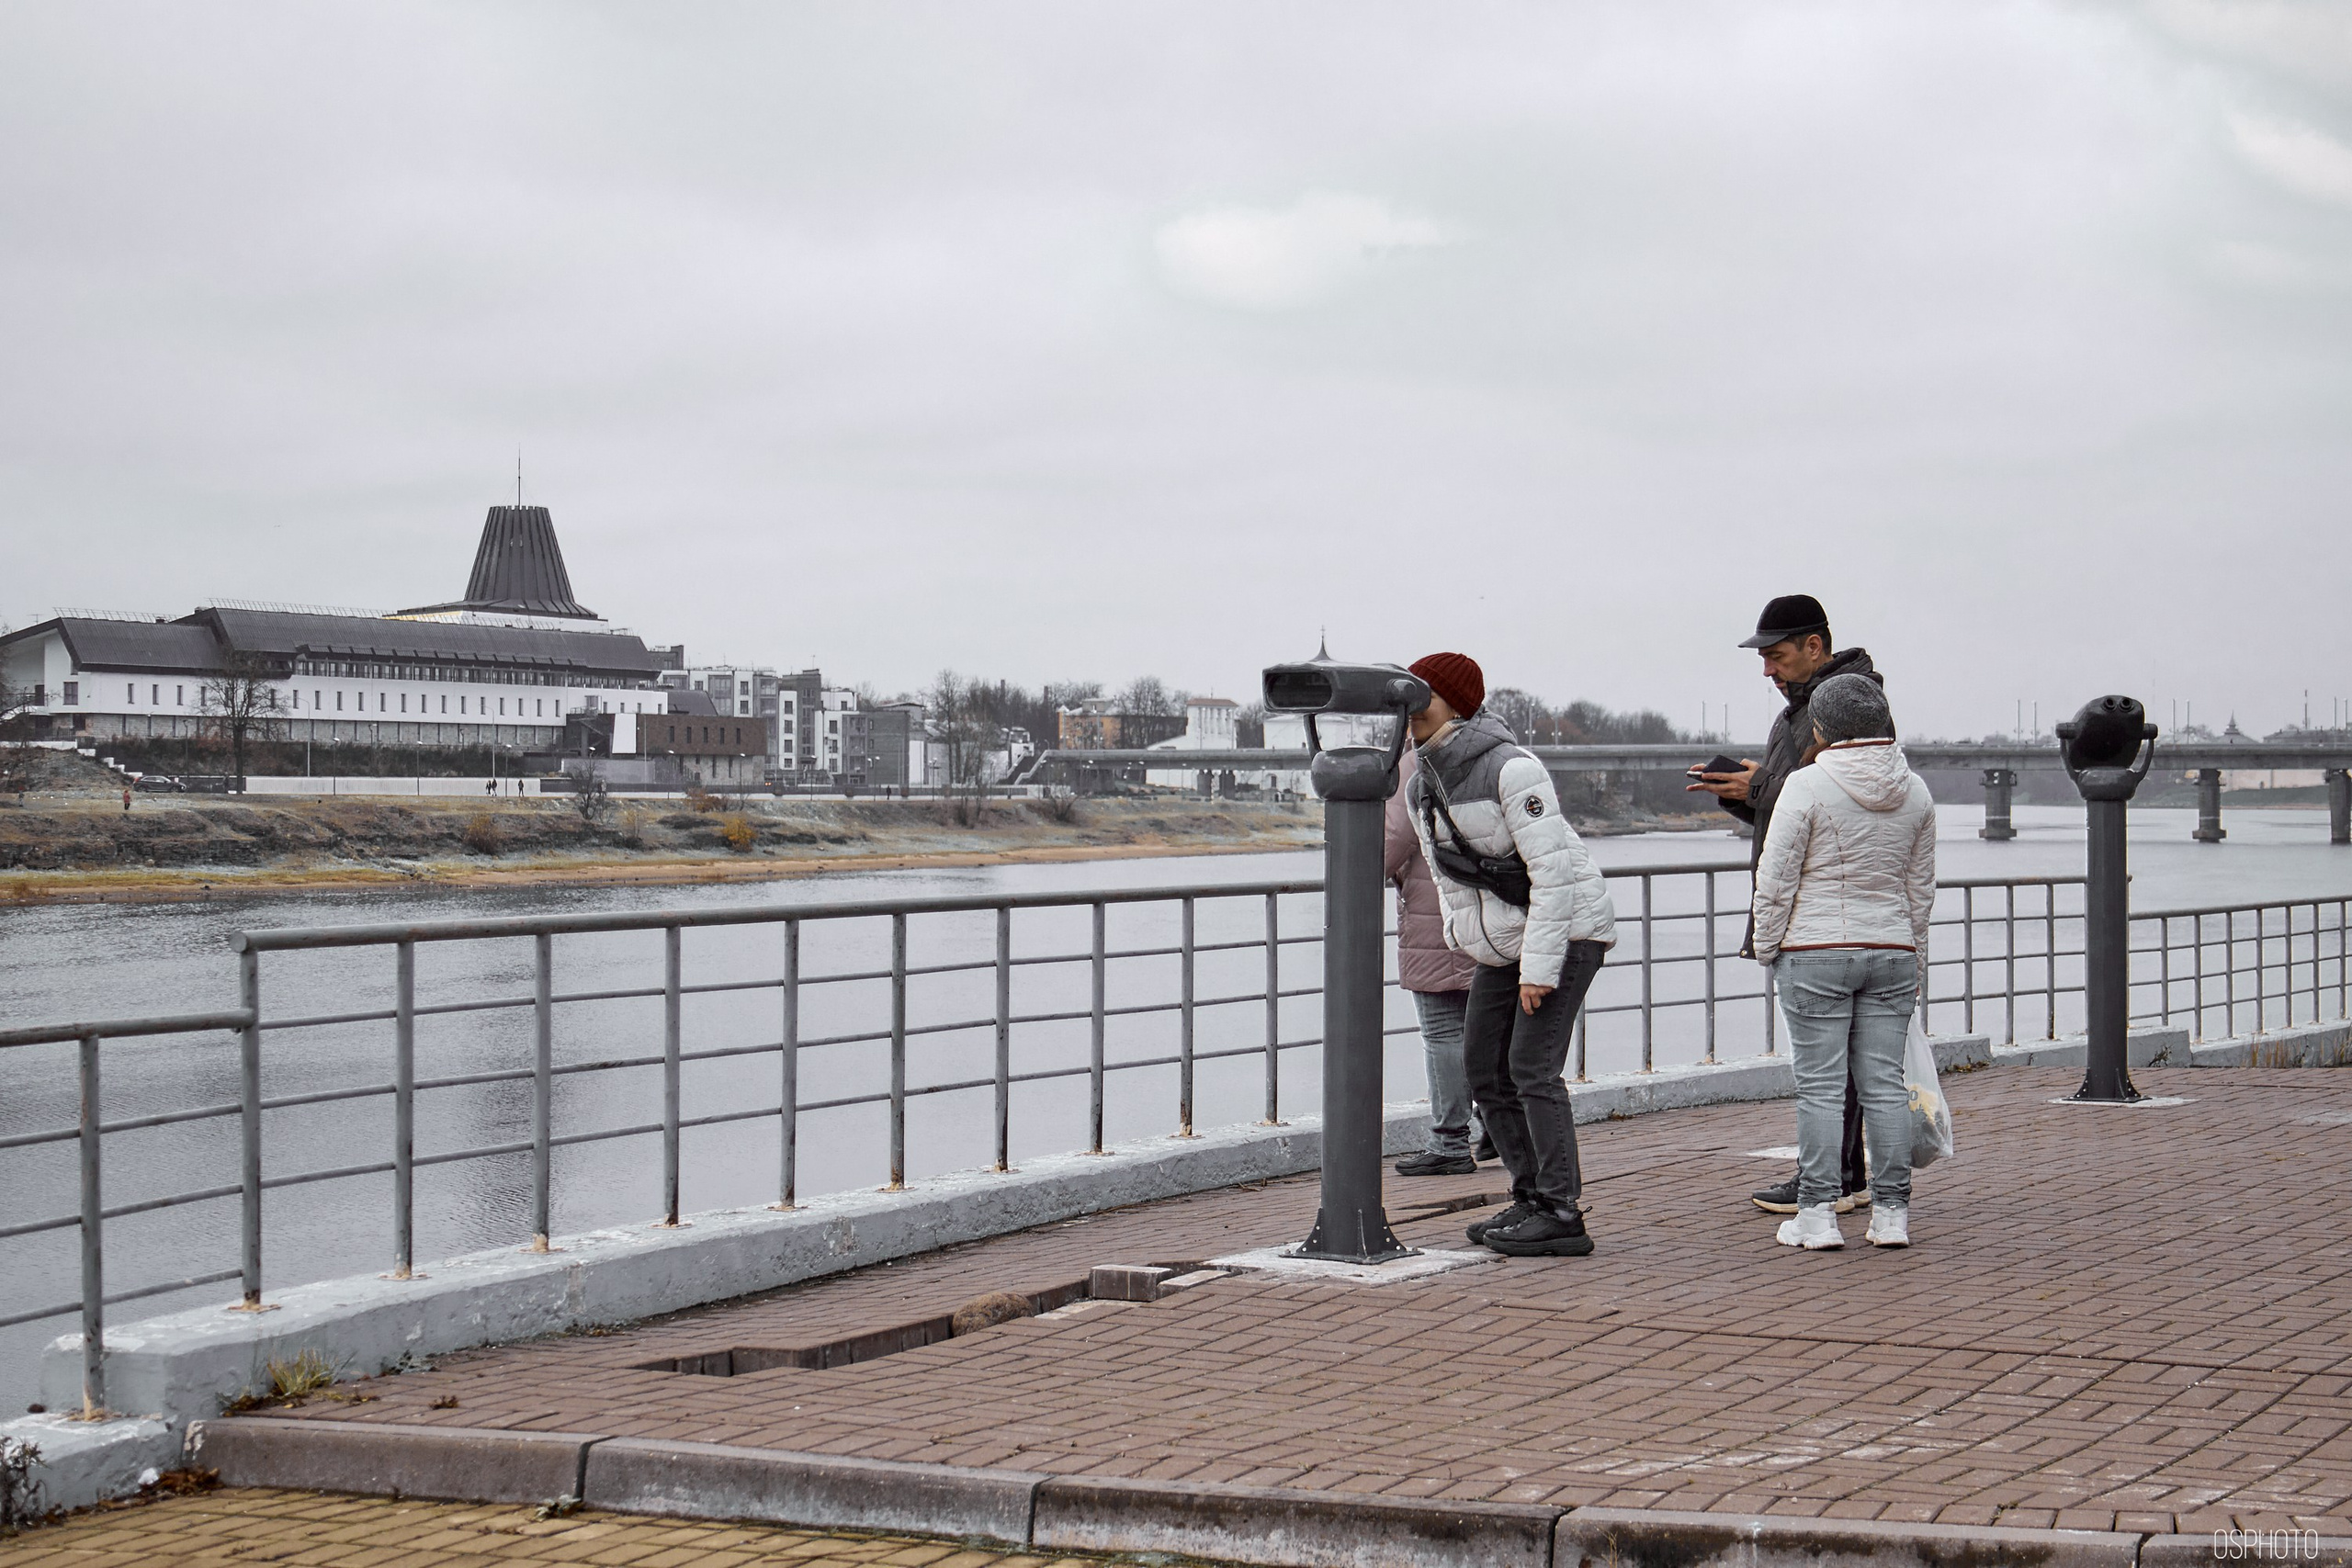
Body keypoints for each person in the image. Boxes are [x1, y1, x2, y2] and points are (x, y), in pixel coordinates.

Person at [1403, 652, 1617, 1258]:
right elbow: (1450, 882)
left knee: (1530, 1068)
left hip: (1567, 930)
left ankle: (1560, 1210)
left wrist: (1538, 970)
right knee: (1482, 1069)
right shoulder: (1424, 782)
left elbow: (1554, 878)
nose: (1410, 710)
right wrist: (1465, 941)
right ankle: (1529, 1196)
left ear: (1455, 701)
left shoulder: (1512, 768)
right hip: (1504, 944)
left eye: (1421, 698)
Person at [1688, 593, 1881, 1217]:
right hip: (1824, 906)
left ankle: (1829, 1182)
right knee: (1841, 1059)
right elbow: (1793, 805)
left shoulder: (1841, 708)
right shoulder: (1801, 712)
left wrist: (1760, 785)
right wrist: (1747, 791)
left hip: (1825, 909)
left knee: (1828, 1064)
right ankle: (1845, 1176)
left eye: (1775, 656)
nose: (1767, 670)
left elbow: (1842, 798)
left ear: (1814, 647)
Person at [1748, 673, 1934, 1250]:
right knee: (1883, 1085)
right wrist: (1913, 954)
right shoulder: (1918, 792)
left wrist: (1765, 943)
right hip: (1893, 952)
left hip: (1815, 953)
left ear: (1822, 727)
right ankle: (1891, 1215)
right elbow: (1919, 890)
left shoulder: (1805, 786)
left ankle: (1818, 1214)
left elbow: (1775, 879)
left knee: (1821, 1089)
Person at [1385, 744, 1482, 1176]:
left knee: (1443, 1032)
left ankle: (1449, 1141)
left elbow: (1392, 840)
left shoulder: (1414, 762)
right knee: (1487, 1031)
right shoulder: (1494, 755)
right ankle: (1497, 1123)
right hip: (1490, 912)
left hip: (1435, 913)